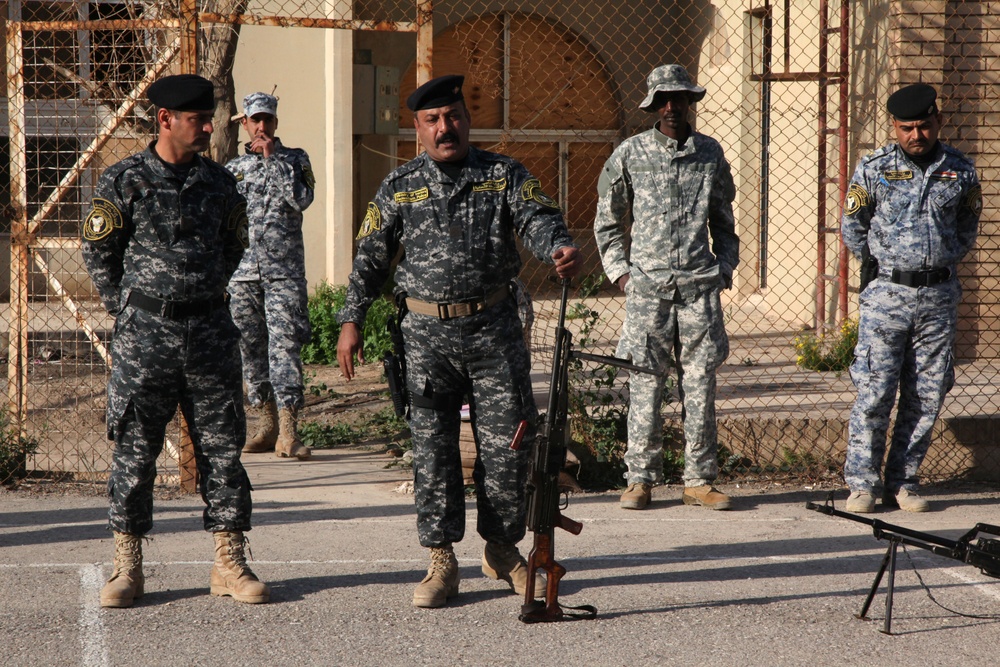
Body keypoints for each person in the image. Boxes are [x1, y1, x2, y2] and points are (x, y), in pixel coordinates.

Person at [335, 74, 581, 609]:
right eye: (432, 120)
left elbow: (538, 218)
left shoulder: (503, 175)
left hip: (495, 334)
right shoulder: (399, 187)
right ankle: (441, 561)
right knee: (433, 450)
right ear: (417, 130)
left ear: (466, 121)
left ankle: (501, 549)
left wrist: (557, 247)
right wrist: (350, 319)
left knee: (508, 450)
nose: (445, 128)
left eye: (453, 117)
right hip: (424, 339)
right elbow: (371, 258)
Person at [81, 73, 269, 608]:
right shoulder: (124, 180)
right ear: (165, 120)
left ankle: (230, 562)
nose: (208, 128)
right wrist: (127, 307)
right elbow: (99, 253)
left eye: (209, 118)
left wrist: (202, 291)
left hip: (210, 332)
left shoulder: (220, 183)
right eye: (198, 120)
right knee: (135, 453)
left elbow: (235, 245)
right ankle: (127, 567)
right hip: (147, 339)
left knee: (222, 452)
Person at [594, 64, 739, 512]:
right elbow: (607, 223)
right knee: (645, 383)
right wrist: (621, 273)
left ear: (691, 102)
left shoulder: (710, 154)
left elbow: (725, 225)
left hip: (698, 290)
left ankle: (699, 480)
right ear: (654, 106)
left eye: (680, 98)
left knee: (700, 384)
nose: (672, 107)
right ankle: (639, 479)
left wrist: (725, 269)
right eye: (664, 100)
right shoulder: (629, 154)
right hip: (648, 292)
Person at [841, 83, 980, 513]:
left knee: (927, 392)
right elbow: (853, 226)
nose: (915, 135)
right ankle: (862, 484)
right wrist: (884, 268)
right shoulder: (873, 169)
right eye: (906, 128)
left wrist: (939, 261)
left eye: (923, 126)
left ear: (938, 121)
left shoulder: (961, 170)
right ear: (894, 128)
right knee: (875, 389)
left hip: (938, 297)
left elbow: (966, 226)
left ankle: (905, 481)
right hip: (887, 295)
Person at [226, 91, 315, 460]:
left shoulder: (295, 159)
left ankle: (289, 432)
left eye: (268, 119)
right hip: (243, 275)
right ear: (244, 123)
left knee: (285, 348)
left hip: (284, 273)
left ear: (276, 123)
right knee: (250, 349)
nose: (261, 126)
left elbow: (302, 199)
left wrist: (272, 160)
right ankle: (265, 426)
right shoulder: (231, 169)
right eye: (255, 120)